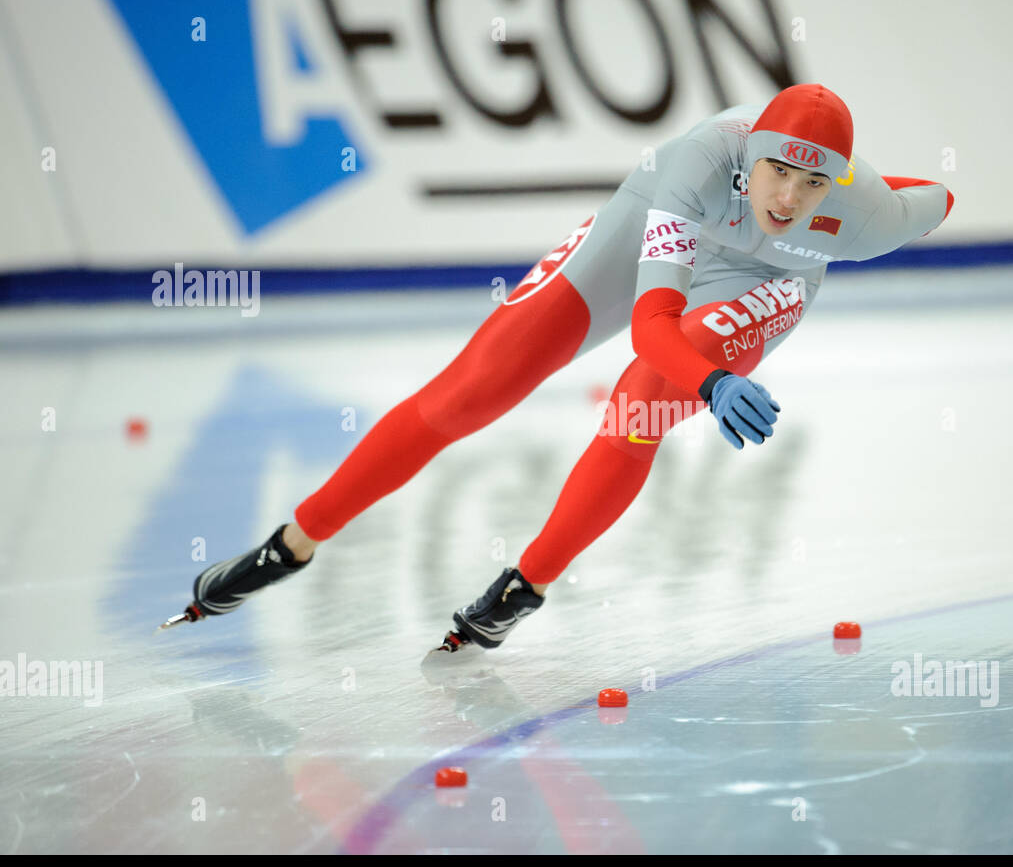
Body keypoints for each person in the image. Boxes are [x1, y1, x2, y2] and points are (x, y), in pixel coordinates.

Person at [160, 84, 954, 658]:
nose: (789, 197)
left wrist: (926, 190)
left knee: (639, 404)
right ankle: (292, 543)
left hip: (763, 284)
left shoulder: (862, 217)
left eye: (815, 181)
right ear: (751, 154)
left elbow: (934, 198)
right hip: (656, 223)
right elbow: (652, 325)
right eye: (780, 170)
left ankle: (522, 587)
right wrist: (714, 384)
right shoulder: (698, 163)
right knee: (474, 389)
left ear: (839, 184)